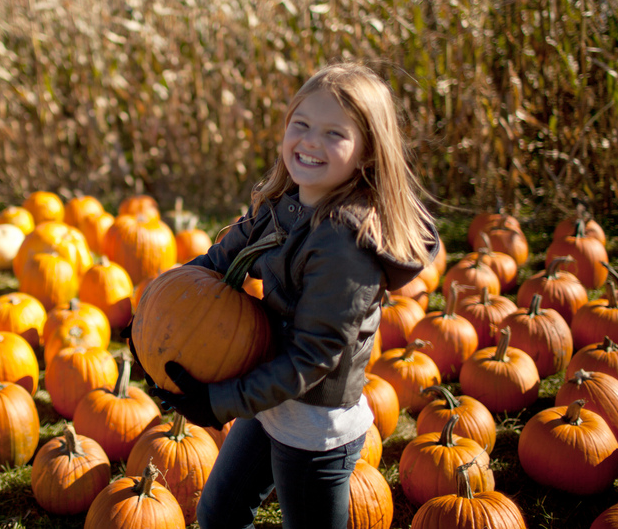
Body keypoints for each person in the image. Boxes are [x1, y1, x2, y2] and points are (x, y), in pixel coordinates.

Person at [147, 63, 440, 529]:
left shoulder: (344, 245)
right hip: (266, 394)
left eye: (333, 134)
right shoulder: (287, 198)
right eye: (300, 125)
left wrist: (218, 402)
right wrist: (153, 318)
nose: (309, 142)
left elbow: (312, 357)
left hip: (313, 424)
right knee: (219, 512)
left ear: (367, 153)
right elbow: (222, 257)